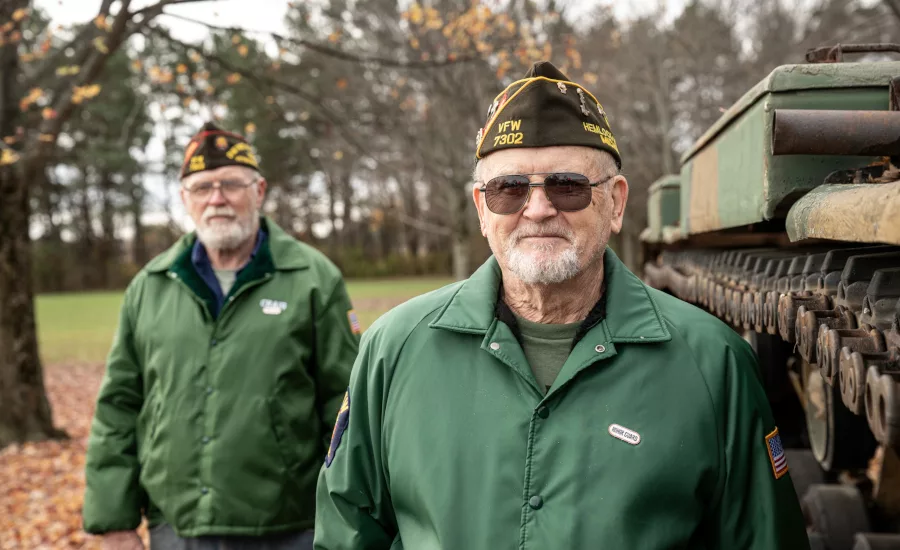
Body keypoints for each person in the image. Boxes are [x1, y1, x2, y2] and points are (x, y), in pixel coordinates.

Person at [313, 61, 809, 549]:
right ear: (481, 210)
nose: (538, 208)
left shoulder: (712, 362)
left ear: (615, 203)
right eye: (508, 189)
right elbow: (347, 531)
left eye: (567, 185)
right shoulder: (394, 349)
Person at [83, 122, 360, 550]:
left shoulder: (313, 280)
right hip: (176, 528)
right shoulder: (151, 286)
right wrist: (114, 521)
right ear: (184, 200)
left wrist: (346, 522)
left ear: (260, 190)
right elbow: (119, 406)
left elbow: (343, 409)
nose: (217, 199)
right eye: (202, 188)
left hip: (289, 529)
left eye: (231, 184)